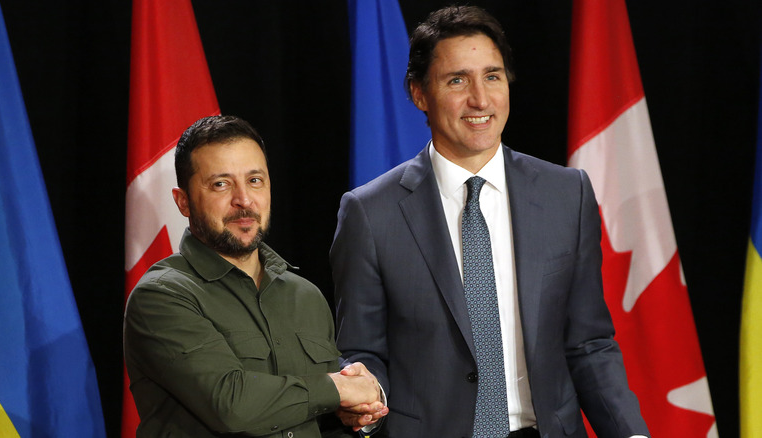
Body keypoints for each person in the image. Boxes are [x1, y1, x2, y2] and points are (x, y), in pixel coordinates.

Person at [331, 6, 649, 438]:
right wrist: (368, 404)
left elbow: (589, 343)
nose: (480, 99)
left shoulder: (566, 193)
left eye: (493, 76)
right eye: (457, 80)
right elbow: (363, 351)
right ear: (419, 93)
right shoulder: (369, 213)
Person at [124, 115, 386, 437]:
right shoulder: (162, 296)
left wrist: (358, 411)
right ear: (184, 202)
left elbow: (320, 414)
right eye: (221, 184)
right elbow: (231, 405)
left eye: (255, 180)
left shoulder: (305, 295)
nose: (244, 200)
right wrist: (337, 388)